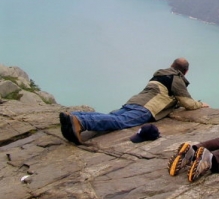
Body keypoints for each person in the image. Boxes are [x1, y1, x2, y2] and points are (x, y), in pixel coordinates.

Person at [59, 57, 209, 145]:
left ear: (172, 65)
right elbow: (187, 103)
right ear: (186, 71)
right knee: (120, 122)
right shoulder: (176, 78)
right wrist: (200, 104)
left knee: (114, 116)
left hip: (134, 101)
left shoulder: (161, 74)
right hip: (146, 108)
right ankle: (81, 122)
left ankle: (73, 117)